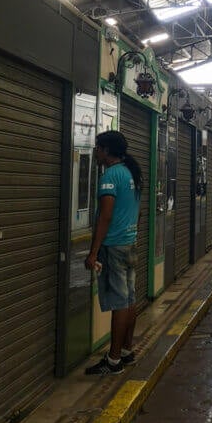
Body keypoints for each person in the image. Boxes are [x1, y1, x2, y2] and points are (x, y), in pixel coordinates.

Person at [84, 130, 143, 375]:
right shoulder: (131, 172)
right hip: (129, 243)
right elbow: (137, 211)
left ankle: (114, 360)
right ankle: (126, 351)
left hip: (114, 246)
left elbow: (105, 216)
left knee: (120, 303)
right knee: (129, 300)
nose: (96, 152)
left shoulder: (110, 176)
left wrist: (93, 252)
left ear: (106, 150)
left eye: (98, 148)